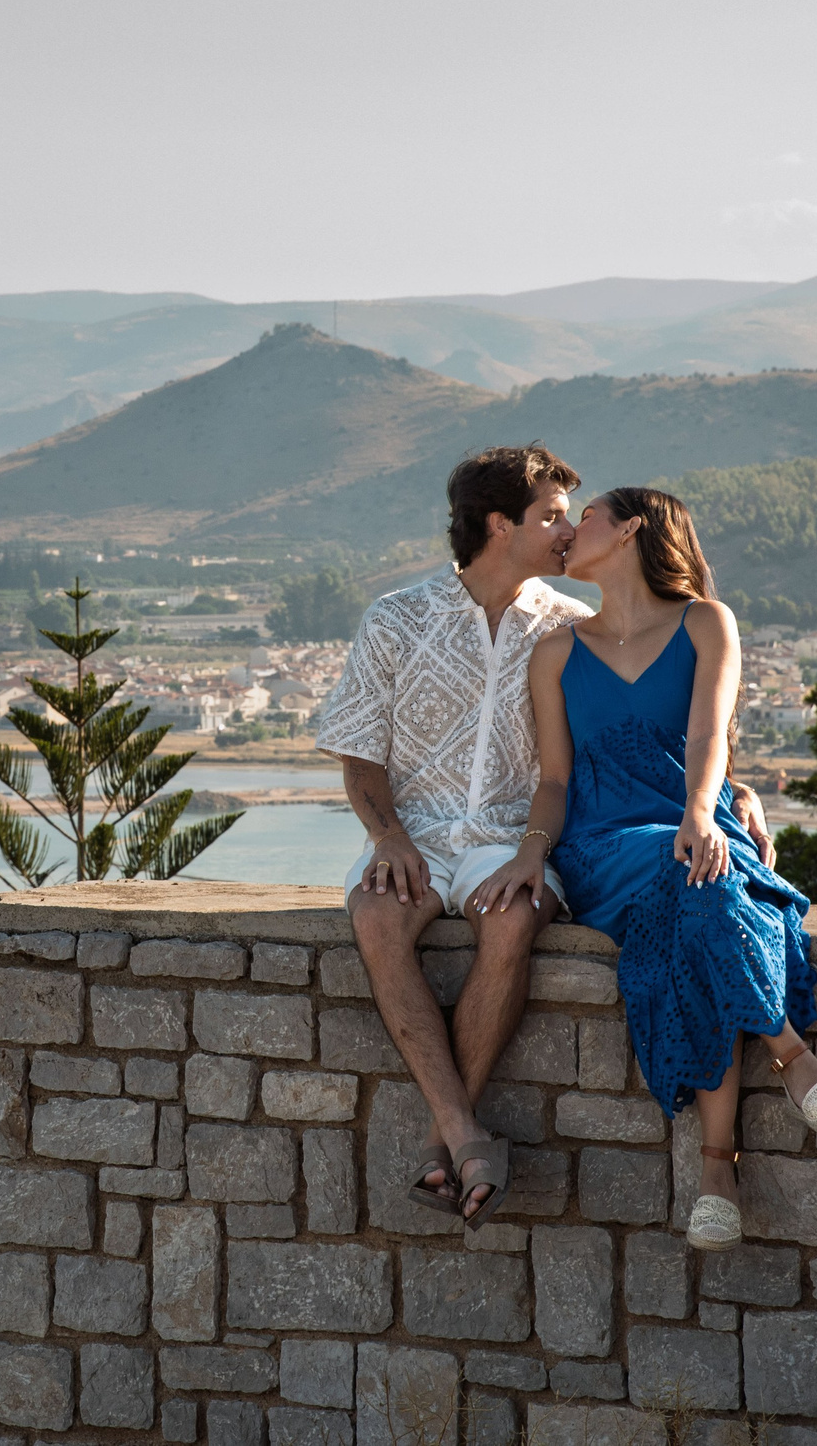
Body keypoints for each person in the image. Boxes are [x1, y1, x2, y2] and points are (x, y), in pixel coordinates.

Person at [315, 447, 775, 1230]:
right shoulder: (395, 618)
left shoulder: (569, 628)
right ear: (501, 524)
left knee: (513, 920)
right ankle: (462, 1132)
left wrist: (734, 792)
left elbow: (656, 728)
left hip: (516, 836)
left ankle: (445, 1138)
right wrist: (386, 837)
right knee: (377, 916)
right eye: (553, 515)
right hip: (414, 833)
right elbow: (360, 755)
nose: (568, 530)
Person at [472, 485, 817, 1251]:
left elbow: (708, 737)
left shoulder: (706, 622)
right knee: (694, 877)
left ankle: (717, 1175)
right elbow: (555, 781)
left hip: (694, 828)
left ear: (631, 530)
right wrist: (531, 850)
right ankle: (792, 1058)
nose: (570, 529)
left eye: (586, 516)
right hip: (602, 847)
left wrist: (702, 810)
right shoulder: (556, 651)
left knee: (701, 902)